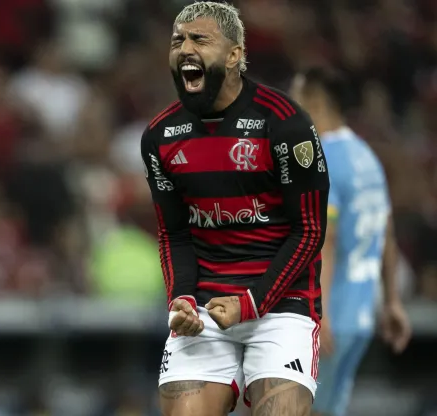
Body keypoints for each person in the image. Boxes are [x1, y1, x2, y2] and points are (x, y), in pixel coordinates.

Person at [141, 3, 330, 415]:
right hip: (206, 307)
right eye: (178, 40)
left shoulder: (285, 124)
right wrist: (182, 300)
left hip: (281, 305)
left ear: (233, 55)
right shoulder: (160, 135)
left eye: (199, 39)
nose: (184, 48)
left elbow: (310, 231)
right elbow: (174, 233)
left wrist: (253, 301)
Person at [290, 67, 412, 416]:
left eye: (295, 98)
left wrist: (318, 313)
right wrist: (391, 302)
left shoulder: (321, 157)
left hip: (329, 316)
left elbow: (325, 238)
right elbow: (386, 227)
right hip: (360, 318)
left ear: (313, 101)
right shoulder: (366, 157)